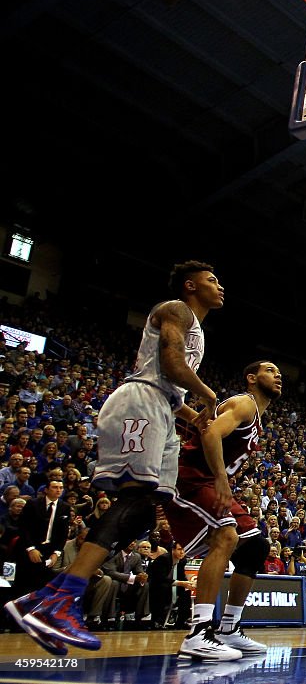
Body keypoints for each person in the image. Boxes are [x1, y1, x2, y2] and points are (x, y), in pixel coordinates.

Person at [6, 260, 222, 655]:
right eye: (212, 280)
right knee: (135, 497)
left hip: (161, 408)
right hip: (139, 402)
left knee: (148, 506)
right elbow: (171, 366)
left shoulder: (199, 331)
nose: (220, 286)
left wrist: (197, 418)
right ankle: (60, 599)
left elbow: (172, 389)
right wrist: (208, 396)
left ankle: (44, 599)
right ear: (191, 286)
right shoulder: (176, 308)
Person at [164, 361, 282, 660]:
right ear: (252, 378)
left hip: (207, 478)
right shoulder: (244, 403)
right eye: (270, 370)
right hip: (191, 477)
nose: (278, 375)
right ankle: (198, 632)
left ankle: (228, 629)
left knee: (255, 545)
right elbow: (211, 434)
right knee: (226, 537)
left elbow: (202, 424)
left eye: (279, 372)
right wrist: (220, 478)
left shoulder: (254, 416)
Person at [13, 480, 70, 595]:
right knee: (23, 585)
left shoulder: (65, 507)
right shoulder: (33, 504)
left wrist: (56, 553)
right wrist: (31, 548)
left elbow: (63, 534)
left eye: (60, 487)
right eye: (55, 487)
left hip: (48, 550)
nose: (58, 490)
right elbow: (23, 528)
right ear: (46, 489)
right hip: (29, 548)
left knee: (41, 585)